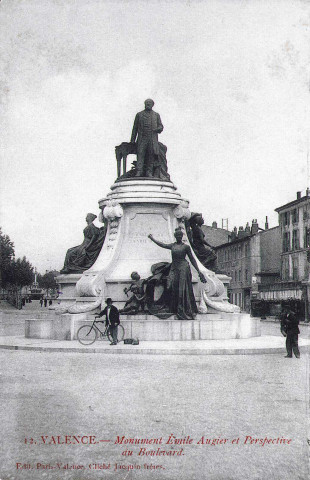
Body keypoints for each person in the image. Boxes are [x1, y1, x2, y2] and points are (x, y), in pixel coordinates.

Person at [148, 228, 206, 320]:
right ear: (175, 237)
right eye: (177, 236)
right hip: (174, 267)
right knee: (169, 285)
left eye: (180, 236)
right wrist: (153, 239)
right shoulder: (173, 245)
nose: (179, 237)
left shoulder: (186, 247)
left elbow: (192, 259)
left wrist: (199, 271)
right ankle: (173, 307)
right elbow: (162, 245)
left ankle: (182, 309)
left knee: (182, 288)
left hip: (183, 268)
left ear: (182, 236)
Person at [130, 99, 163, 177]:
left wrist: (158, 129)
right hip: (142, 138)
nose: (148, 104)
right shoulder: (139, 115)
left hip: (152, 139)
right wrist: (132, 140)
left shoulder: (156, 115)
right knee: (140, 155)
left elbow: (160, 126)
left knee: (150, 156)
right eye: (147, 103)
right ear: (144, 104)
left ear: (152, 105)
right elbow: (135, 128)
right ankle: (139, 171)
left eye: (150, 103)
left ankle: (149, 172)